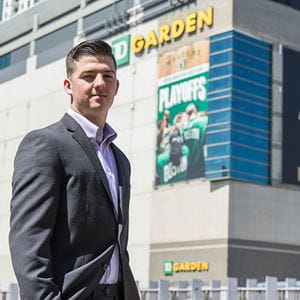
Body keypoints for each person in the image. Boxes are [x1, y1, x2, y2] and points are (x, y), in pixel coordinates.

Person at [9, 39, 140, 300]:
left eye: (107, 76)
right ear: (68, 86)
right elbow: (28, 239)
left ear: (116, 86)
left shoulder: (120, 159)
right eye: (88, 76)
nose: (99, 83)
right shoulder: (46, 144)